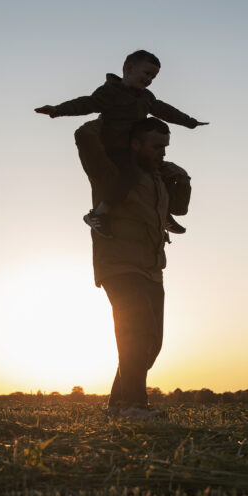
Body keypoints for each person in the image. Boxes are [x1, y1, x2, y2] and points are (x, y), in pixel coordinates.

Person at [74, 117, 192, 417]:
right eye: (155, 147)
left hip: (152, 268)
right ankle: (135, 405)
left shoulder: (158, 176)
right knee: (137, 333)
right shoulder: (111, 172)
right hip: (119, 265)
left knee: (151, 343)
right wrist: (119, 117)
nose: (162, 154)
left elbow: (177, 210)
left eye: (165, 148)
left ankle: (117, 405)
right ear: (135, 143)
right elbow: (84, 134)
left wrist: (182, 179)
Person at [35, 50, 206, 237]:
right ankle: (98, 214)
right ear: (129, 68)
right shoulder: (111, 92)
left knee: (162, 173)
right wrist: (57, 110)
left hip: (136, 148)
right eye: (147, 74)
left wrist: (189, 122)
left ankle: (163, 215)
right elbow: (87, 103)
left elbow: (164, 110)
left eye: (153, 77)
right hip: (115, 148)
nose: (149, 80)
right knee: (130, 176)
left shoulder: (146, 97)